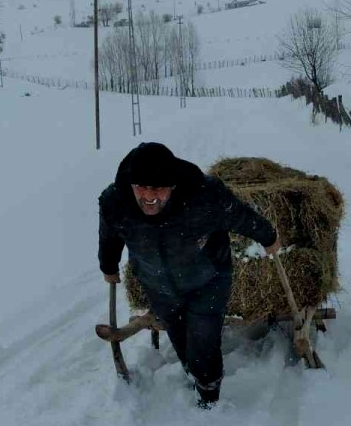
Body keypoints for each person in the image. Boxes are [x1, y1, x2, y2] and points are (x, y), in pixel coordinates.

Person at [98, 142, 280, 408]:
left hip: (208, 279)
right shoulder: (115, 202)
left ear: (173, 185)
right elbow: (109, 235)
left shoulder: (204, 196)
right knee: (180, 338)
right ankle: (193, 373)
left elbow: (240, 215)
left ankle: (208, 396)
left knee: (203, 342)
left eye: (158, 188)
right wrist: (109, 265)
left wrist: (268, 236)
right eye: (142, 187)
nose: (150, 196)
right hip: (157, 283)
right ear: (130, 183)